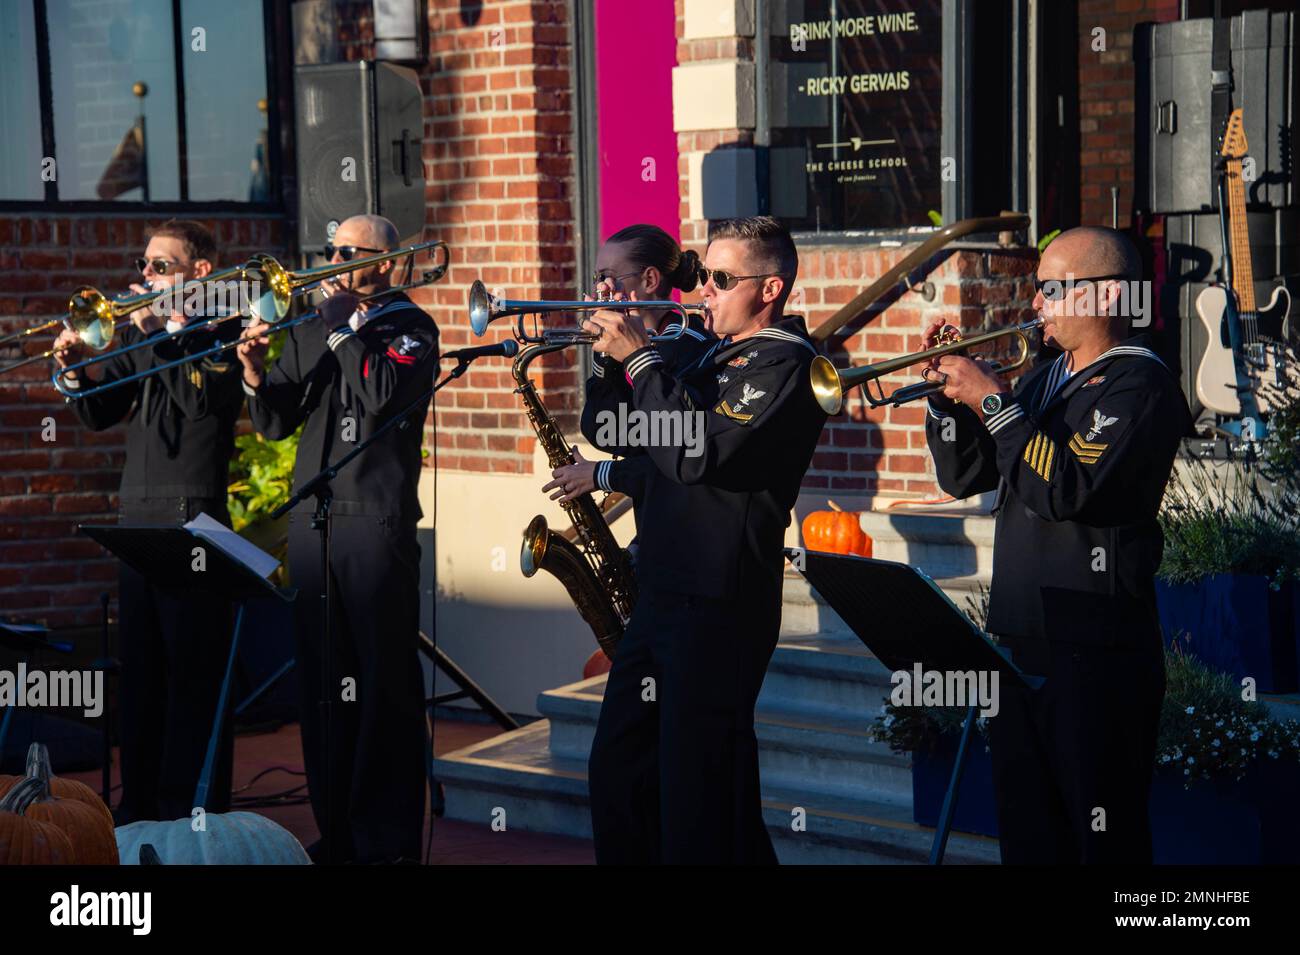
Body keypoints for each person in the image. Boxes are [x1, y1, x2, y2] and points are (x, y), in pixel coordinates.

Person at [549, 216, 827, 864]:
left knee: (699, 800)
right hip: (665, 594)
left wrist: (643, 358)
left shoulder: (785, 364)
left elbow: (692, 453)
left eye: (723, 279)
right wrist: (611, 359)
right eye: (705, 274)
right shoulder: (706, 351)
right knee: (619, 772)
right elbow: (624, 432)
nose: (704, 290)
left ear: (770, 288)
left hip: (721, 604)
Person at [923, 226, 1192, 864]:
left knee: (1101, 840)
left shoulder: (1139, 385)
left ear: (1102, 297)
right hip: (1023, 640)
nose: (1035, 303)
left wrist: (993, 401)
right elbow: (968, 476)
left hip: (1094, 648)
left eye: (1049, 289)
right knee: (1030, 838)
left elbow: (1064, 489)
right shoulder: (1047, 379)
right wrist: (947, 408)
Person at [235, 214, 438, 864]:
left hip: (373, 522)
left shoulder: (412, 326)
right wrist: (256, 373)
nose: (333, 258)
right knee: (324, 685)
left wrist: (346, 324)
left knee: (382, 685)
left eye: (349, 250)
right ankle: (340, 832)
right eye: (331, 249)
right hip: (315, 519)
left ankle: (389, 841)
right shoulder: (315, 323)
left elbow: (380, 392)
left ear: (386, 260)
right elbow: (274, 424)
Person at [55, 219, 243, 823]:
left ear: (200, 273)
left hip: (195, 518)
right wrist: (80, 367)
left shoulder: (225, 331)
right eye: (145, 266)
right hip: (137, 517)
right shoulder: (142, 332)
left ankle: (194, 812)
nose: (146, 276)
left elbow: (200, 402)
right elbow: (100, 412)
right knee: (141, 680)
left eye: (160, 266)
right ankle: (138, 814)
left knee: (194, 676)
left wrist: (164, 330)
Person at [552, 224, 715, 533]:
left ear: (650, 280)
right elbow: (604, 430)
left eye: (608, 277)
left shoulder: (688, 343)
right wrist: (606, 356)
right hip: (656, 524)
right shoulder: (638, 347)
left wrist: (602, 474)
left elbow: (676, 449)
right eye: (598, 278)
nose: (600, 289)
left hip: (691, 531)